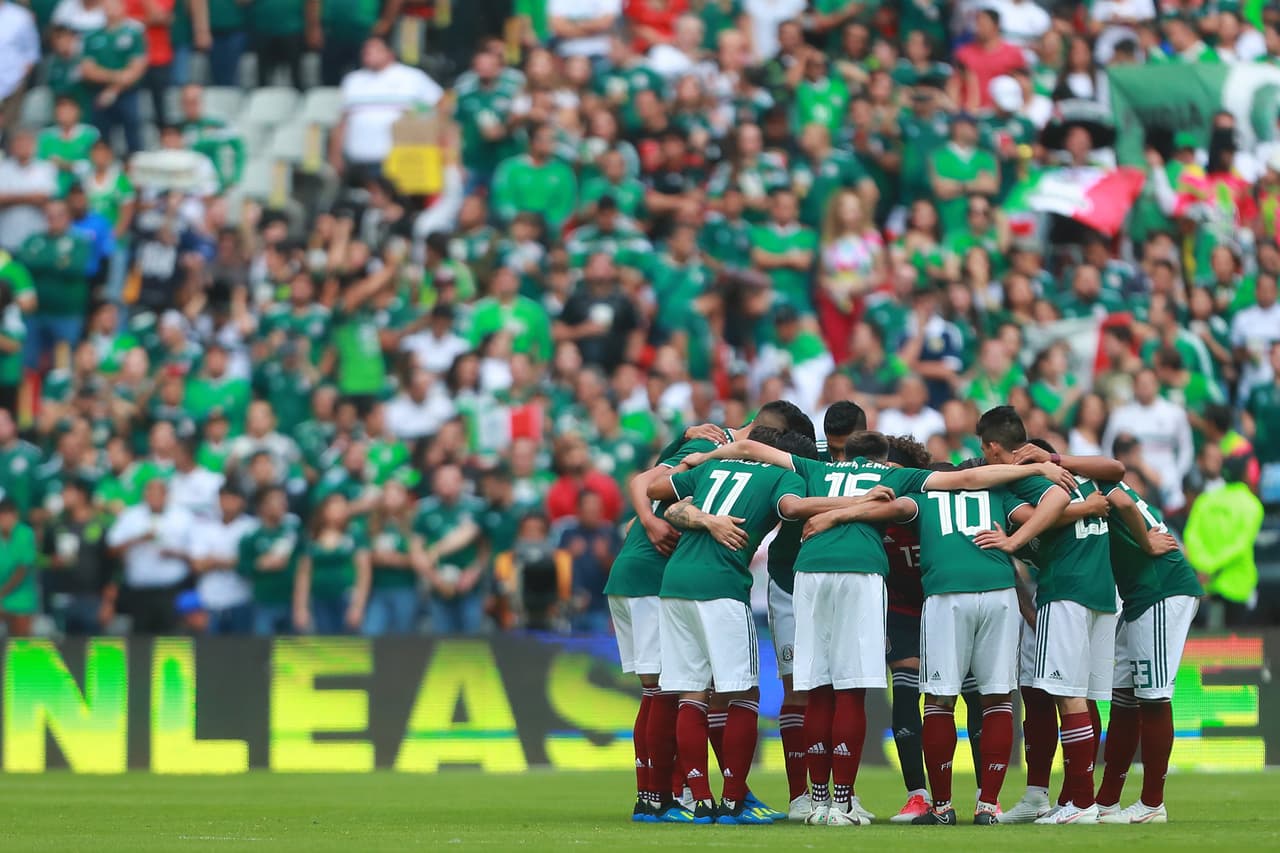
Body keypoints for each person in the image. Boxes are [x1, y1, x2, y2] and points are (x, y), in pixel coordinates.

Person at [687, 428, 1075, 826]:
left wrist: (700, 459)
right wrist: (1041, 466)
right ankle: (857, 804)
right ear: (884, 456)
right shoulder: (899, 476)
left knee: (818, 688)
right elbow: (967, 479)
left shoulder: (818, 468)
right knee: (862, 691)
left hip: (812, 573)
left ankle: (824, 803)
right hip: (879, 573)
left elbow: (752, 448)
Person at [1095, 480, 1200, 824]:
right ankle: (1107, 800)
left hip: (1160, 590)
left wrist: (1145, 542)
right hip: (1139, 597)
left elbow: (1122, 500)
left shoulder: (1085, 482)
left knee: (1153, 698)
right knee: (1123, 695)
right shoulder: (1092, 476)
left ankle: (1153, 802)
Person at [329, 36, 443, 183]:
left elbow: (441, 104)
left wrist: (418, 119)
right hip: (357, 160)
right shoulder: (352, 80)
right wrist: (335, 155)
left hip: (399, 160)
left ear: (390, 53)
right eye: (365, 50)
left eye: (374, 49)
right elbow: (341, 122)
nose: (367, 53)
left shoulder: (411, 77)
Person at [1183, 454, 1264, 628]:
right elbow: (1241, 544)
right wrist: (1215, 567)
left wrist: (1204, 567)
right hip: (1237, 584)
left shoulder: (1204, 501)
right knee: (1238, 650)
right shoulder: (1252, 504)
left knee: (1204, 647)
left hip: (1204, 583)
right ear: (1245, 474)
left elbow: (1191, 537)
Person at [105, 477, 194, 633]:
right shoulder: (130, 516)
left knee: (172, 639)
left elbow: (196, 554)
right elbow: (111, 550)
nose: (154, 497)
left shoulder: (183, 517)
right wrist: (139, 539)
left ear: (166, 495)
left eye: (158, 493)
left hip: (172, 590)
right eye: (150, 493)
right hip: (139, 592)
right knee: (141, 642)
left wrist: (175, 553)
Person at [294, 492, 372, 634]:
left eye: (342, 506)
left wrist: (358, 606)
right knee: (325, 644)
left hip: (346, 596)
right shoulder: (311, 537)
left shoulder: (354, 534)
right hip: (319, 597)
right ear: (324, 510)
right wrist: (300, 607)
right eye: (334, 506)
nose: (339, 510)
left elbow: (364, 572)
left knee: (349, 643)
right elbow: (304, 574)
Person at [80, 0, 148, 154]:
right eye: (106, 5)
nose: (110, 9)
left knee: (132, 129)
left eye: (113, 4)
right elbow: (88, 70)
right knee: (100, 134)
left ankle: (133, 164)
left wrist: (113, 90)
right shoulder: (92, 36)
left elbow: (136, 68)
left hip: (127, 92)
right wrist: (117, 77)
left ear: (122, 7)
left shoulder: (134, 33)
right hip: (98, 92)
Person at [188, 484, 256, 634]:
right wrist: (231, 562)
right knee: (209, 652)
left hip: (241, 599)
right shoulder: (204, 526)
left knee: (242, 650)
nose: (227, 502)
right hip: (209, 600)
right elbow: (197, 565)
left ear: (242, 502)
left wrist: (214, 561)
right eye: (223, 498)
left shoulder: (251, 527)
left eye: (232, 498)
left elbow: (250, 564)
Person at [364, 478, 425, 636]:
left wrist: (397, 560)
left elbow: (421, 558)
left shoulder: (414, 523)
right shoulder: (373, 524)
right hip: (378, 589)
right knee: (370, 632)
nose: (391, 499)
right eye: (387, 495)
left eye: (396, 494)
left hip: (405, 588)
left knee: (403, 637)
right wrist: (375, 558)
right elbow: (362, 554)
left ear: (405, 497)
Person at [237, 485, 300, 636]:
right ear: (262, 506)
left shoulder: (294, 528)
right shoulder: (251, 535)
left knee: (295, 652)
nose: (282, 504)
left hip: (293, 599)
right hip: (264, 601)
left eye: (283, 500)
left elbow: (306, 560)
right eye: (275, 501)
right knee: (265, 650)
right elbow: (241, 567)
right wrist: (259, 564)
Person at [0, 130, 57, 252]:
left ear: (34, 146)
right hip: (7, 236)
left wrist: (11, 198)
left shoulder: (45, 169)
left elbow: (44, 198)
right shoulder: (2, 168)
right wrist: (30, 197)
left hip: (36, 235)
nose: (23, 147)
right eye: (19, 144)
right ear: (12, 147)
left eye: (26, 143)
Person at [0, 0, 40, 136]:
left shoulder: (20, 17)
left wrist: (20, 77)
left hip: (12, 85)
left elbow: (32, 52)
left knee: (10, 132)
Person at [0, 497, 38, 636]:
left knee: (21, 641)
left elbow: (22, 569)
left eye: (8, 514)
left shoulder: (25, 534)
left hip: (21, 598)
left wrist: (2, 593)